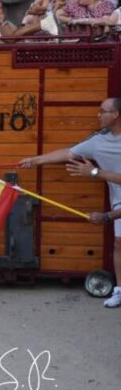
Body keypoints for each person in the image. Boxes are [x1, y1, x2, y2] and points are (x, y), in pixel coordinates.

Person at [20, 97, 121, 308]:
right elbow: (68, 153)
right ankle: (119, 290)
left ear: (116, 115)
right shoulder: (98, 140)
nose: (98, 115)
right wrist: (35, 159)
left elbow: (96, 172)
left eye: (103, 111)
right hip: (119, 202)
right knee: (119, 245)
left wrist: (94, 172)